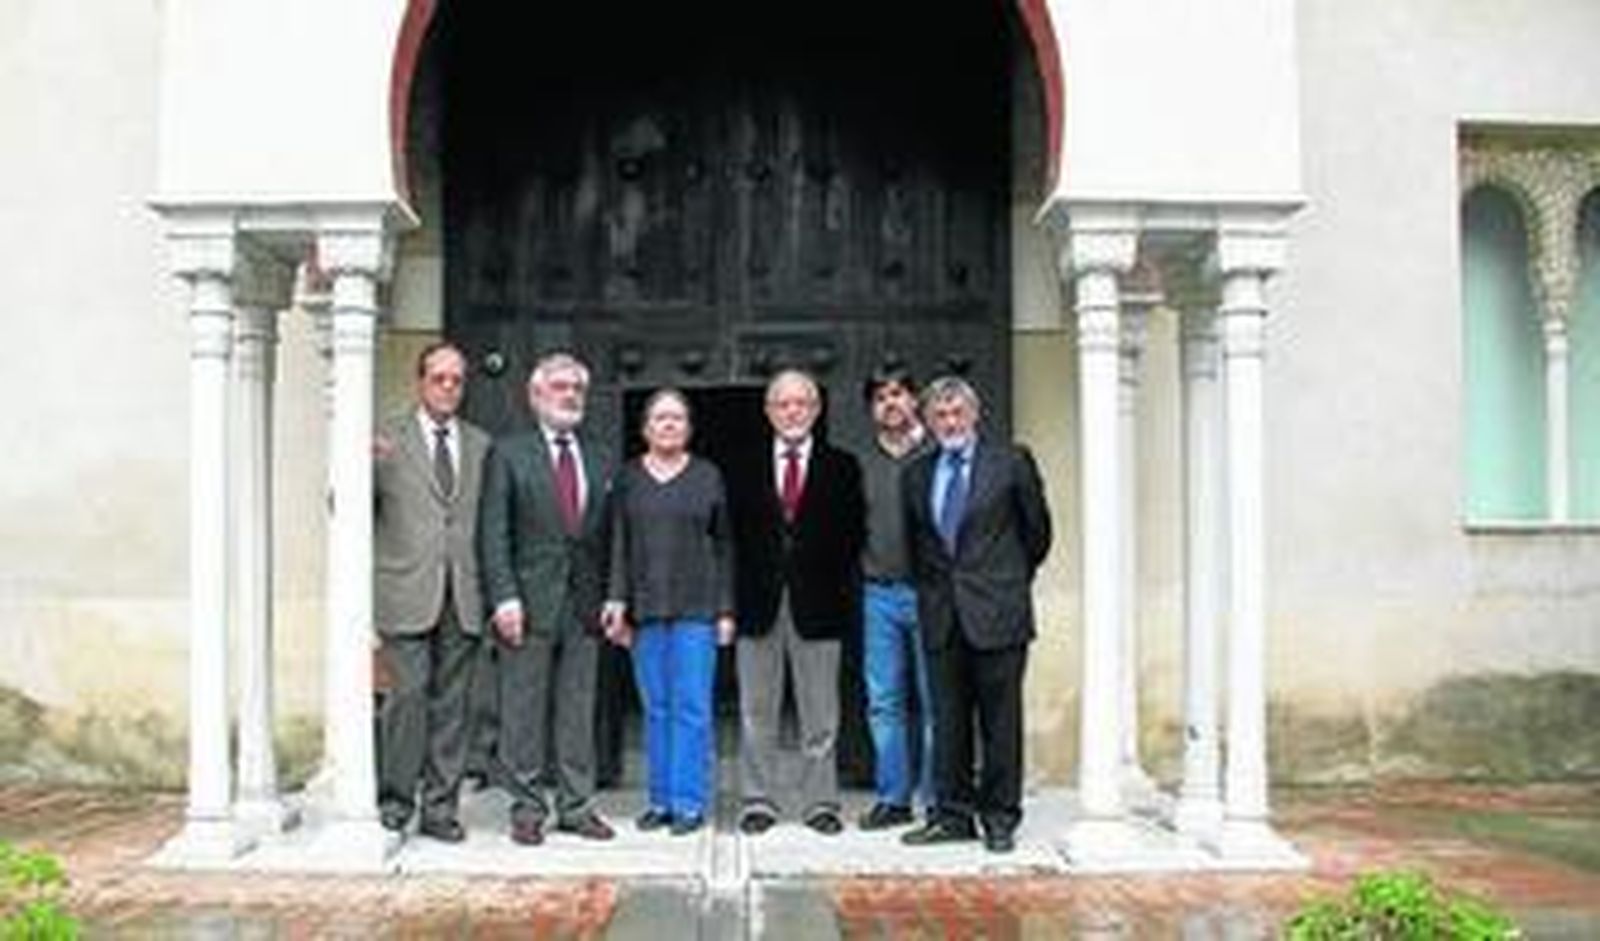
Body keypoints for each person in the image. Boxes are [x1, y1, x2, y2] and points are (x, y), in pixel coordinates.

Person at [900, 375, 1051, 854]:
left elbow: (1038, 534)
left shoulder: (1011, 463)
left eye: (957, 413)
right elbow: (916, 547)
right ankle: (953, 815)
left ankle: (1000, 816)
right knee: (949, 720)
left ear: (974, 414)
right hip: (942, 615)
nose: (949, 422)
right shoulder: (916, 474)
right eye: (940, 415)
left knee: (1000, 721)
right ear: (928, 420)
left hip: (998, 613)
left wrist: (1005, 582)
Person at [478, 352, 616, 845]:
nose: (570, 395)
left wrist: (614, 596)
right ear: (536, 396)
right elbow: (493, 532)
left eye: (577, 387)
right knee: (524, 710)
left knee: (579, 711)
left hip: (583, 605)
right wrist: (504, 597)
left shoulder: (600, 456)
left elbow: (610, 536)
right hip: (528, 604)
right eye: (560, 387)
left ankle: (577, 807)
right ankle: (528, 807)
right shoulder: (509, 453)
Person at [728, 369, 865, 836]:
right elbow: (729, 541)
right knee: (756, 711)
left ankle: (820, 803)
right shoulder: (742, 465)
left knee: (821, 715)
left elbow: (854, 540)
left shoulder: (842, 466)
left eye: (801, 403)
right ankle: (757, 801)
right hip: (757, 603)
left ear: (816, 409)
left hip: (820, 606)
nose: (792, 412)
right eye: (783, 404)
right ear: (769, 411)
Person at [601, 389, 735, 836]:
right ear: (645, 428)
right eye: (660, 418)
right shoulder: (629, 478)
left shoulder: (708, 475)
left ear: (689, 428)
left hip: (697, 610)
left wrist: (725, 610)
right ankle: (659, 801)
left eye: (678, 418)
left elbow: (724, 546)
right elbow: (618, 543)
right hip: (646, 610)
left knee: (692, 709)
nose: (669, 425)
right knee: (656, 709)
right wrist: (617, 602)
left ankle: (689, 804)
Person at [373, 342, 491, 843]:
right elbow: (343, 505)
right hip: (406, 591)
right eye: (439, 378)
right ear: (420, 382)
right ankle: (397, 798)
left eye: (456, 380)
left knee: (453, 706)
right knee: (408, 698)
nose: (448, 388)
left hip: (461, 593)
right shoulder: (387, 439)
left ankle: (440, 808)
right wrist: (361, 466)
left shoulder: (481, 444)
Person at [856, 364, 936, 831]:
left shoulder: (935, 456)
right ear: (872, 408)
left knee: (935, 702)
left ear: (915, 401)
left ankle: (936, 799)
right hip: (878, 597)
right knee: (884, 702)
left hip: (930, 596)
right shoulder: (862, 463)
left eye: (900, 393)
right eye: (882, 396)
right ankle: (894, 798)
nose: (892, 403)